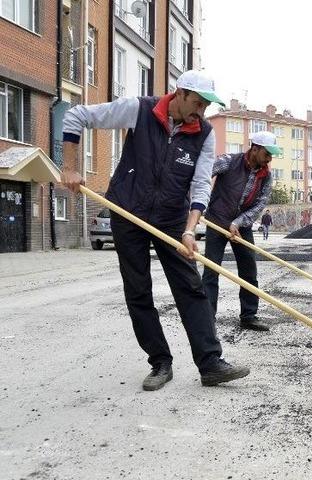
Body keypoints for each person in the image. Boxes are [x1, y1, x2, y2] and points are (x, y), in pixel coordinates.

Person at [61, 70, 250, 391]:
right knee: (138, 290)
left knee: (191, 287)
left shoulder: (203, 134)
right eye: (198, 103)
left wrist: (190, 231)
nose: (201, 112)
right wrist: (69, 166)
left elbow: (201, 184)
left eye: (206, 106)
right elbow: (76, 115)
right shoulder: (140, 110)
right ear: (180, 93)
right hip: (128, 212)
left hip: (172, 218)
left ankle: (210, 363)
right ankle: (160, 362)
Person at [202, 131, 280, 332]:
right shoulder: (228, 161)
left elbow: (260, 204)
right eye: (267, 153)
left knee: (249, 271)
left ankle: (249, 315)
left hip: (241, 226)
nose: (270, 159)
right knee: (212, 271)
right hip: (216, 222)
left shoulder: (266, 175)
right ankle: (207, 318)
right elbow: (203, 174)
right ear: (254, 149)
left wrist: (238, 222)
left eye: (272, 155)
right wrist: (196, 203)